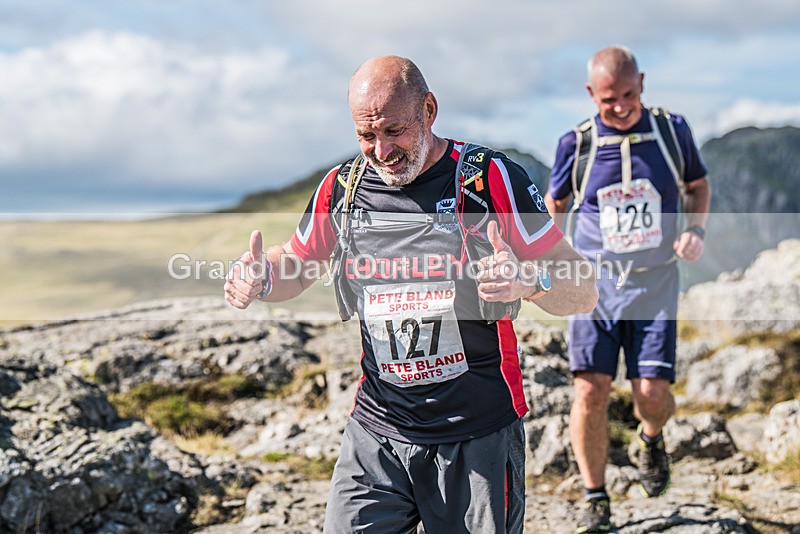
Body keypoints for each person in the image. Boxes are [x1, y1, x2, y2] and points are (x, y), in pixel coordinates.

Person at [225, 55, 598, 533]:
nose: (381, 151)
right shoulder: (343, 189)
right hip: (379, 431)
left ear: (429, 109)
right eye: (366, 136)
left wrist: (531, 282)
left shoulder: (489, 180)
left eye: (394, 130)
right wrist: (261, 277)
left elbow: (583, 289)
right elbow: (297, 264)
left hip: (476, 433)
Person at [545, 46, 711, 533]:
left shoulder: (671, 130)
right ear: (590, 94)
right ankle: (596, 497)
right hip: (594, 287)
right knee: (590, 390)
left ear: (643, 81)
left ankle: (652, 437)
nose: (620, 107)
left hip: (655, 283)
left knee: (651, 394)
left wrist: (694, 231)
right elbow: (556, 207)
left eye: (629, 95)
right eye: (609, 100)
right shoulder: (574, 144)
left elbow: (698, 185)